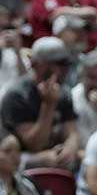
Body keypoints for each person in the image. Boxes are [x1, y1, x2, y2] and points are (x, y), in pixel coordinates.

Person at [0, 37, 79, 169]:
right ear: (37, 65)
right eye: (58, 64)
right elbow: (35, 145)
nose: (64, 70)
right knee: (45, 159)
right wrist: (49, 105)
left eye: (65, 64)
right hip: (18, 159)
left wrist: (70, 148)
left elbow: (71, 132)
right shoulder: (16, 95)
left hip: (54, 154)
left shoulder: (63, 92)